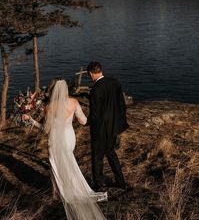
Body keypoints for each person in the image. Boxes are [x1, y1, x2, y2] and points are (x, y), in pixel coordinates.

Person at [23, 78, 107, 220]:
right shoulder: (73, 102)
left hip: (55, 139)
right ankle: (69, 189)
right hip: (69, 137)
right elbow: (84, 121)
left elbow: (45, 129)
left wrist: (31, 120)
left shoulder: (49, 107)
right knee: (68, 161)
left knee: (55, 164)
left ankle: (59, 192)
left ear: (53, 90)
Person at [87, 61, 129, 190]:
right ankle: (121, 181)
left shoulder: (95, 90)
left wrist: (86, 123)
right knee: (110, 152)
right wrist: (119, 121)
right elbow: (122, 104)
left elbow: (94, 115)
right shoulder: (114, 82)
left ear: (90, 73)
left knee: (97, 156)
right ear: (100, 70)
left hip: (100, 129)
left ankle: (98, 184)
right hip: (114, 126)